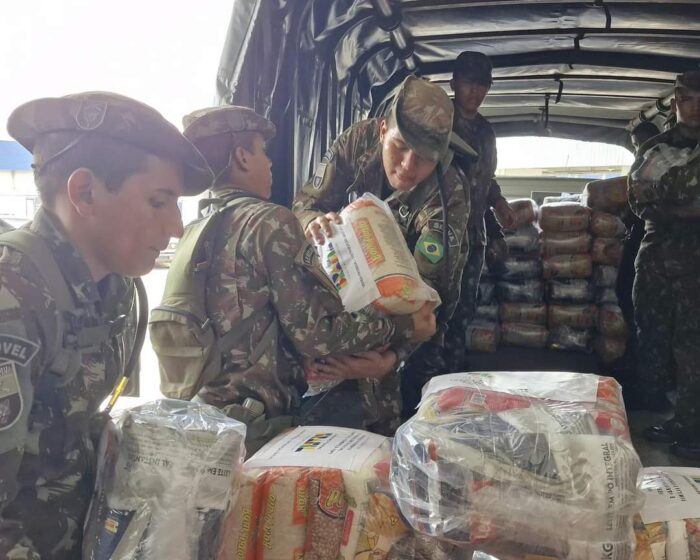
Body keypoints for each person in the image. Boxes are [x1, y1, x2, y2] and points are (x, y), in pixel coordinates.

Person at [0, 92, 210, 559]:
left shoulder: (116, 290)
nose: (177, 227)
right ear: (85, 193)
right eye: (159, 202)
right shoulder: (14, 299)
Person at [176, 106, 436, 448]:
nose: (271, 163)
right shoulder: (270, 222)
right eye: (263, 152)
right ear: (242, 157)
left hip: (205, 411)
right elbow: (317, 334)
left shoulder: (196, 229)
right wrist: (404, 327)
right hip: (258, 420)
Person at [292, 75, 472, 428]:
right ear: (382, 129)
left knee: (404, 397)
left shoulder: (448, 193)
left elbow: (432, 298)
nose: (408, 165)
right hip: (350, 271)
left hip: (408, 289)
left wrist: (393, 357)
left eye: (425, 158)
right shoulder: (357, 142)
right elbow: (304, 203)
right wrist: (312, 220)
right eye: (400, 146)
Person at [627, 70, 700, 460]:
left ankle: (692, 429)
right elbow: (637, 199)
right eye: (687, 100)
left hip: (695, 262)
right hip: (656, 256)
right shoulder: (655, 147)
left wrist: (663, 193)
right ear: (676, 104)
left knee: (692, 344)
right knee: (653, 333)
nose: (695, 108)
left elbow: (665, 193)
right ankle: (674, 414)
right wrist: (684, 205)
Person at [443, 51, 516, 373]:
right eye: (469, 83)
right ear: (454, 83)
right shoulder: (437, 122)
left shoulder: (486, 131)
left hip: (473, 235)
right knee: (435, 306)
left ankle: (453, 366)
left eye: (482, 84)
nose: (476, 91)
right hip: (439, 234)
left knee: (464, 305)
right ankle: (426, 373)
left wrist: (499, 205)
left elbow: (485, 179)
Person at [616, 120, 660, 390]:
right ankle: (635, 363)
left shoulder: (652, 164)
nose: (636, 150)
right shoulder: (646, 163)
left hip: (650, 241)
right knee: (629, 298)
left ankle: (646, 377)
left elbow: (637, 208)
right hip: (642, 240)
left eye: (637, 145)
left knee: (638, 305)